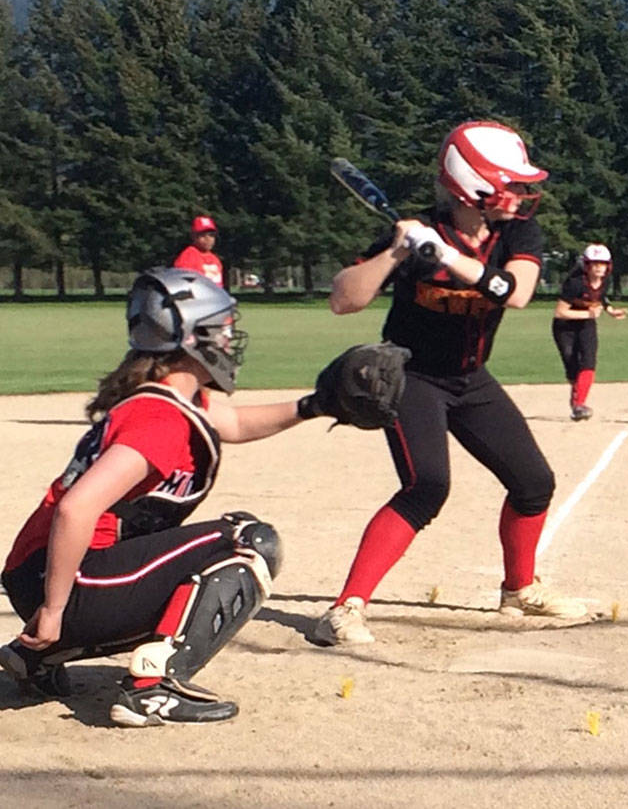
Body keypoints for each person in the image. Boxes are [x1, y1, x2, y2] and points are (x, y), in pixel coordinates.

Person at [310, 119, 586, 647]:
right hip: (411, 377)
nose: (521, 195)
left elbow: (516, 291)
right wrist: (396, 250)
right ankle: (346, 608)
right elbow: (343, 299)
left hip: (469, 377)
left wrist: (449, 257)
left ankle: (519, 590)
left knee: (533, 483)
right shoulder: (415, 235)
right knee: (427, 487)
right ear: (470, 186)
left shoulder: (516, 234)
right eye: (509, 184)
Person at [0, 267, 301, 727]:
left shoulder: (170, 400)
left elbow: (235, 424)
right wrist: (55, 608)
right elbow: (76, 507)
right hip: (66, 579)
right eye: (220, 330)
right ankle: (152, 688)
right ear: (189, 337)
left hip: (44, 572)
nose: (228, 340)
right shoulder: (159, 419)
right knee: (247, 541)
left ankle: (37, 656)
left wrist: (316, 406)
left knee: (190, 566)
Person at [551, 243, 628, 421]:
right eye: (595, 263)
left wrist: (610, 310)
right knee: (572, 366)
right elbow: (560, 312)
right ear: (586, 265)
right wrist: (587, 313)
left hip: (586, 325)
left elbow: (600, 298)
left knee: (588, 360)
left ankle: (579, 405)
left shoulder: (605, 281)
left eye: (602, 263)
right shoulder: (575, 284)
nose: (599, 267)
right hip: (565, 327)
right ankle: (577, 396)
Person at [173, 215, 224, 287]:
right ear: (193, 236)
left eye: (211, 235)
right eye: (203, 235)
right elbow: (183, 283)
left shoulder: (214, 259)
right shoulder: (188, 256)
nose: (208, 239)